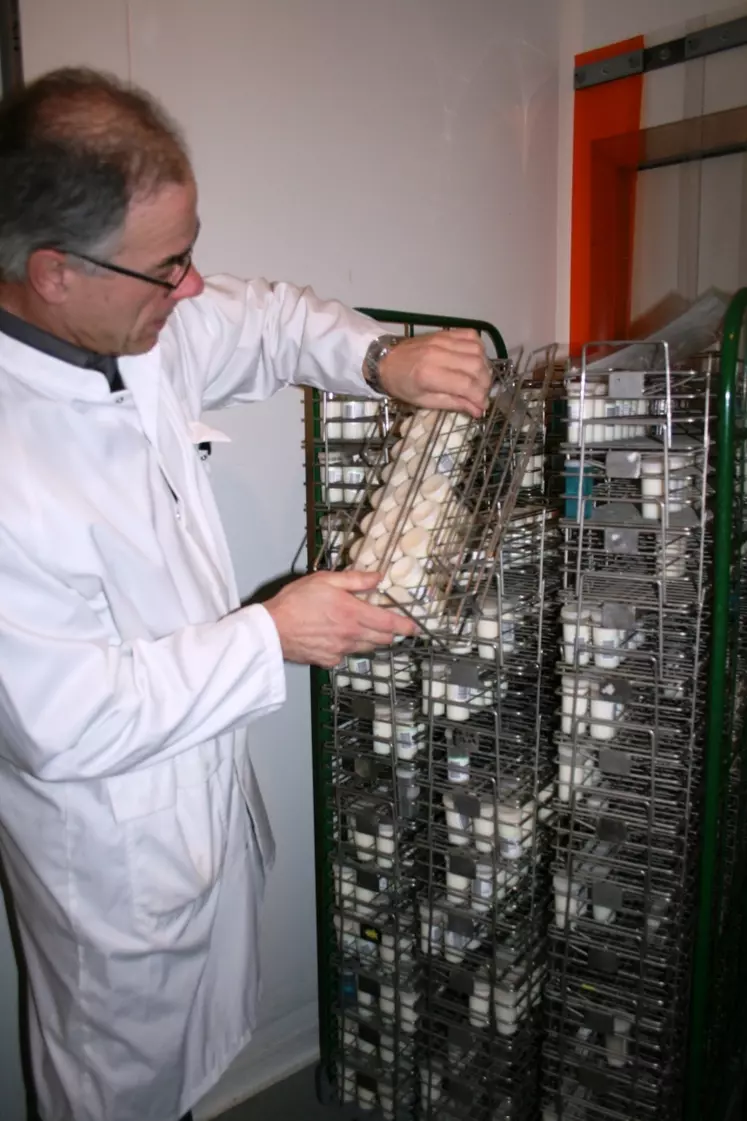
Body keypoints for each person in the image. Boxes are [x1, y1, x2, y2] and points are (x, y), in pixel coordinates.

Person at [0, 67, 490, 1121]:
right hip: (111, 854)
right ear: (52, 272)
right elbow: (58, 719)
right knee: (113, 1092)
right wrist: (272, 634)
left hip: (196, 804)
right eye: (168, 264)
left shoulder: (135, 328)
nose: (191, 288)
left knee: (183, 1078)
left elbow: (266, 322)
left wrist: (380, 354)